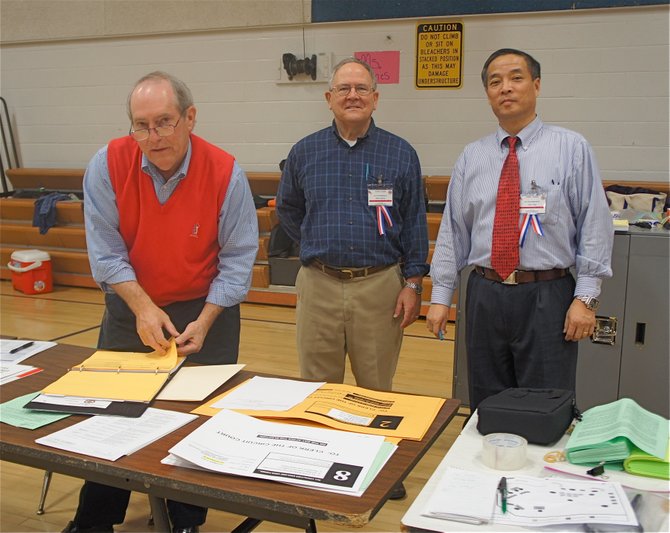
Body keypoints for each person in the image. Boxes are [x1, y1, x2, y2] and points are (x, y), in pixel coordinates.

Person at [64, 71, 258, 533]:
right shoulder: (107, 164)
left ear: (189, 118)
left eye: (165, 122)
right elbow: (106, 253)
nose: (153, 137)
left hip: (206, 308)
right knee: (110, 410)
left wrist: (208, 319)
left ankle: (184, 519)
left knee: (193, 418)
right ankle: (94, 520)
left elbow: (237, 261)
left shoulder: (225, 171)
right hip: (131, 305)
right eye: (141, 125)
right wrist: (143, 307)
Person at [427, 48, 613, 412]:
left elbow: (595, 224)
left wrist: (586, 297)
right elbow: (453, 231)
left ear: (536, 85)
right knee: (487, 402)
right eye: (495, 82)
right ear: (487, 94)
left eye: (516, 78)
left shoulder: (571, 148)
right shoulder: (472, 156)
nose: (505, 88)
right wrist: (440, 297)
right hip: (485, 292)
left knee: (547, 404)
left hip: (547, 294)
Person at [276, 59, 428, 499]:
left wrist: (413, 282)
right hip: (318, 282)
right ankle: (320, 461)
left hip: (380, 284)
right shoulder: (305, 151)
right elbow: (288, 209)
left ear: (376, 98)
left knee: (376, 386)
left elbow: (415, 221)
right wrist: (316, 239)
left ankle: (375, 465)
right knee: (317, 384)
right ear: (329, 99)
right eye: (343, 88)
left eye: (362, 88)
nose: (352, 95)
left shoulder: (400, 153)